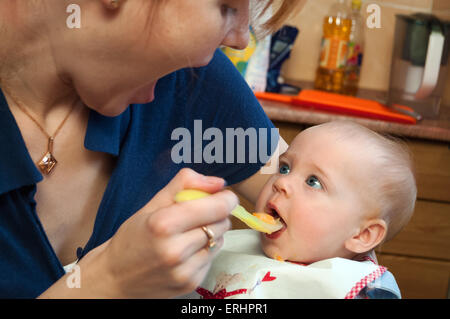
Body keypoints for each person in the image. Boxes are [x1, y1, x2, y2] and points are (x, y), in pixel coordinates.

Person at [0, 0, 305, 298]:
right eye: (226, 7)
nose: (240, 38)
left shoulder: (190, 80)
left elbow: (326, 200)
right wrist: (110, 280)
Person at [184, 121, 417, 299]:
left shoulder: (352, 288)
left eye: (313, 182)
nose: (280, 182)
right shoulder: (238, 247)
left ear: (361, 235)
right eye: (284, 168)